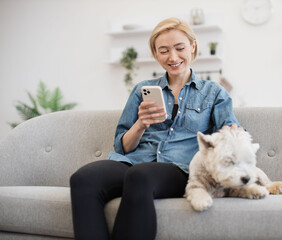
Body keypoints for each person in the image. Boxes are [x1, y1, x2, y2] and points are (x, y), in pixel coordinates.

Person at [70, 17, 242, 240]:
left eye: (180, 48)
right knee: (83, 179)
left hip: (179, 168)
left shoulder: (214, 93)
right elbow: (122, 147)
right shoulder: (142, 90)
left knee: (140, 176)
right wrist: (141, 124)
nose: (173, 57)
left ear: (193, 46)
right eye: (164, 50)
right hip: (134, 163)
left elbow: (231, 131)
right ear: (155, 53)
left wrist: (232, 131)